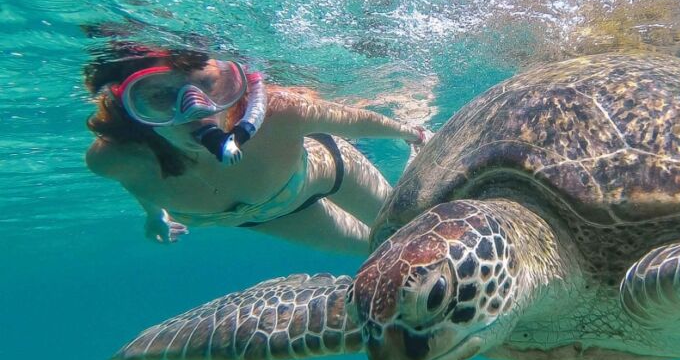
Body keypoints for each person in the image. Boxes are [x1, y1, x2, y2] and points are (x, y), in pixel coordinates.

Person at [84, 44, 431, 255]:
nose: (197, 109)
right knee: (381, 249)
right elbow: (137, 184)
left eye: (207, 85)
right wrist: (154, 215)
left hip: (330, 173)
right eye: (160, 96)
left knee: (410, 233)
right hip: (273, 217)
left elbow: (355, 121)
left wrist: (411, 134)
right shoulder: (113, 158)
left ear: (231, 80)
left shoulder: (279, 111)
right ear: (130, 108)